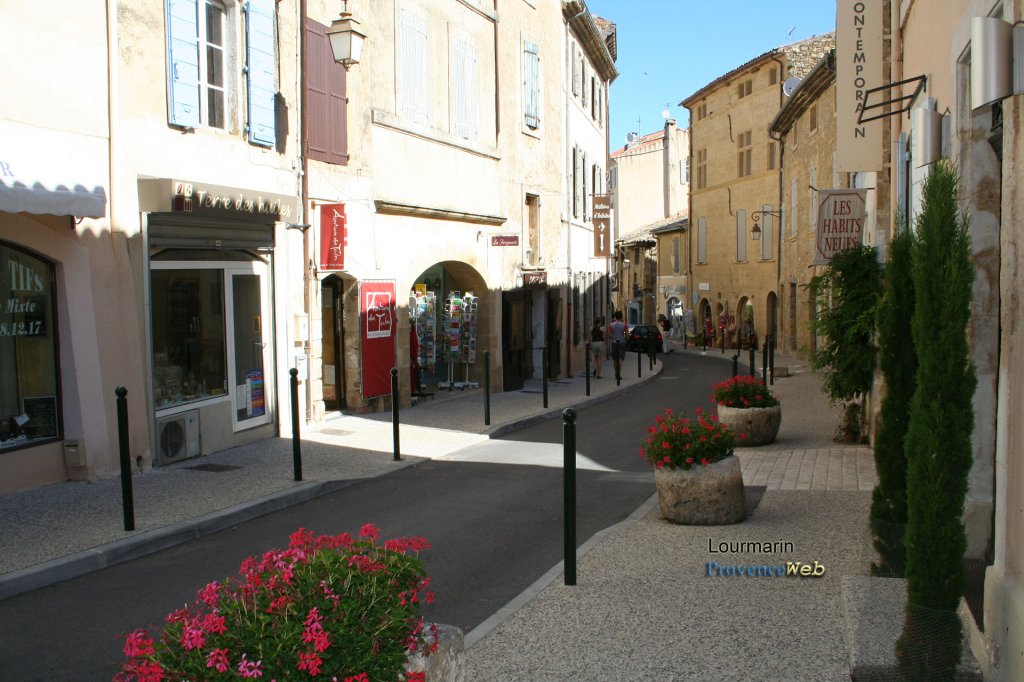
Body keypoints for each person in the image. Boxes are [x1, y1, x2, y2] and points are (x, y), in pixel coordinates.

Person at [607, 311, 628, 384]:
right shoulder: (624, 325)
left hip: (614, 342)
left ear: (615, 317)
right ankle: (618, 373)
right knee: (620, 358)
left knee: (615, 359)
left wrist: (613, 337)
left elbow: (609, 335)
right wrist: (624, 337)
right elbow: (627, 334)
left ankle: (616, 372)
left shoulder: (611, 325)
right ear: (621, 316)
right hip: (622, 342)